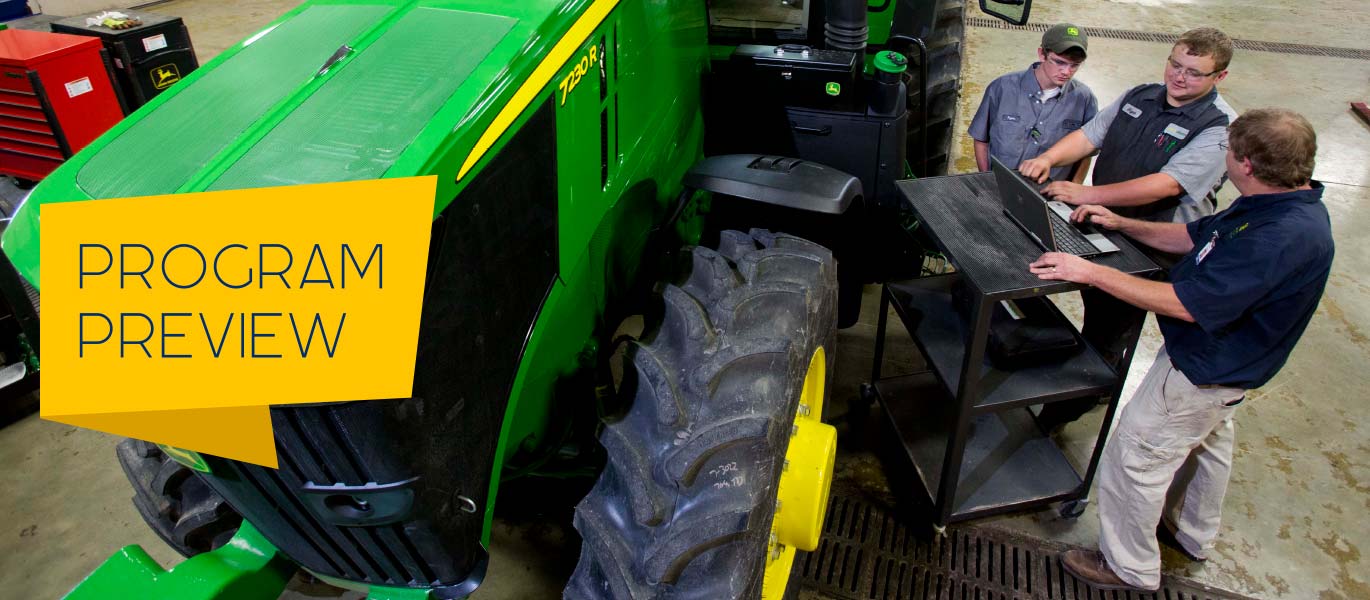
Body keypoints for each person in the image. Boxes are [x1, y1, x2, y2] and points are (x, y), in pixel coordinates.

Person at [1028, 108, 1334, 592]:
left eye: (1229, 152)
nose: (1224, 159)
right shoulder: (1274, 203)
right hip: (1225, 373)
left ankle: (1127, 567)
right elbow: (1195, 237)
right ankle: (1191, 533)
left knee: (1136, 456)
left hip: (1204, 369)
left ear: (1247, 164)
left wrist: (1088, 271)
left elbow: (1184, 304)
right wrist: (1121, 223)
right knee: (1207, 444)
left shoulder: (1280, 237)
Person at [1019, 27, 1239, 430]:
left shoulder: (1220, 128)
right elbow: (1090, 136)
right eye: (1175, 64)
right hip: (1106, 225)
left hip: (1154, 247)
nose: (1179, 76)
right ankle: (1086, 376)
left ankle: (1051, 423)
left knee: (1107, 331)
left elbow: (1168, 185)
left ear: (1218, 78)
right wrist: (1049, 157)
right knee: (1089, 305)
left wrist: (1088, 194)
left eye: (1194, 72)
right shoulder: (1140, 96)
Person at [969, 23, 1098, 183]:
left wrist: (1074, 189)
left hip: (1049, 193)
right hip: (1001, 184)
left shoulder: (1084, 99)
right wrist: (987, 180)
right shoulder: (1002, 88)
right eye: (1059, 62)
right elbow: (981, 139)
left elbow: (1086, 153)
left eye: (1074, 65)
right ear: (1042, 54)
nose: (1066, 72)